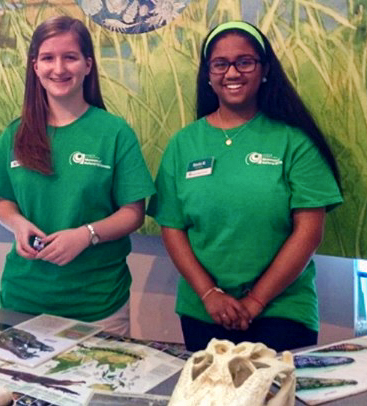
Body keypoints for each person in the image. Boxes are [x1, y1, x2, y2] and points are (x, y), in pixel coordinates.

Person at [147, 20, 343, 352]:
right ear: (208, 74)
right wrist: (210, 295)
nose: (232, 72)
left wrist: (255, 301)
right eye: (220, 64)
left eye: (245, 62)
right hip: (204, 310)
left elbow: (308, 232)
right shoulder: (184, 143)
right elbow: (172, 226)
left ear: (264, 69)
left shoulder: (293, 141)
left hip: (282, 310)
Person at [0, 16, 155, 336]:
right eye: (48, 58)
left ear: (88, 65)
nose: (58, 68)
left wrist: (85, 235)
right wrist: (17, 225)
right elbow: (3, 203)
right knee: (20, 388)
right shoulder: (15, 134)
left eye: (70, 57)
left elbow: (133, 213)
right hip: (22, 299)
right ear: (35, 66)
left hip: (97, 305)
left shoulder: (114, 133)